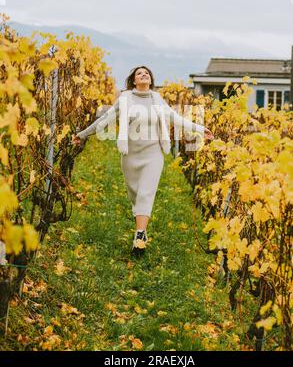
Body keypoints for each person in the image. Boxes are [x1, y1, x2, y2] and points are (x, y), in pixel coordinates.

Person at [72, 66, 214, 254]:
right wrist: (82, 135)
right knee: (135, 195)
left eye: (146, 73)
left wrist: (199, 128)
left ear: (150, 79)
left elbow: (175, 118)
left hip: (153, 154)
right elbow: (104, 120)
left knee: (146, 194)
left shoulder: (157, 99)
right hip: (130, 155)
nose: (144, 74)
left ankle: (139, 236)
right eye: (139, 73)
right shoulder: (125, 99)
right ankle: (141, 228)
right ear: (133, 81)